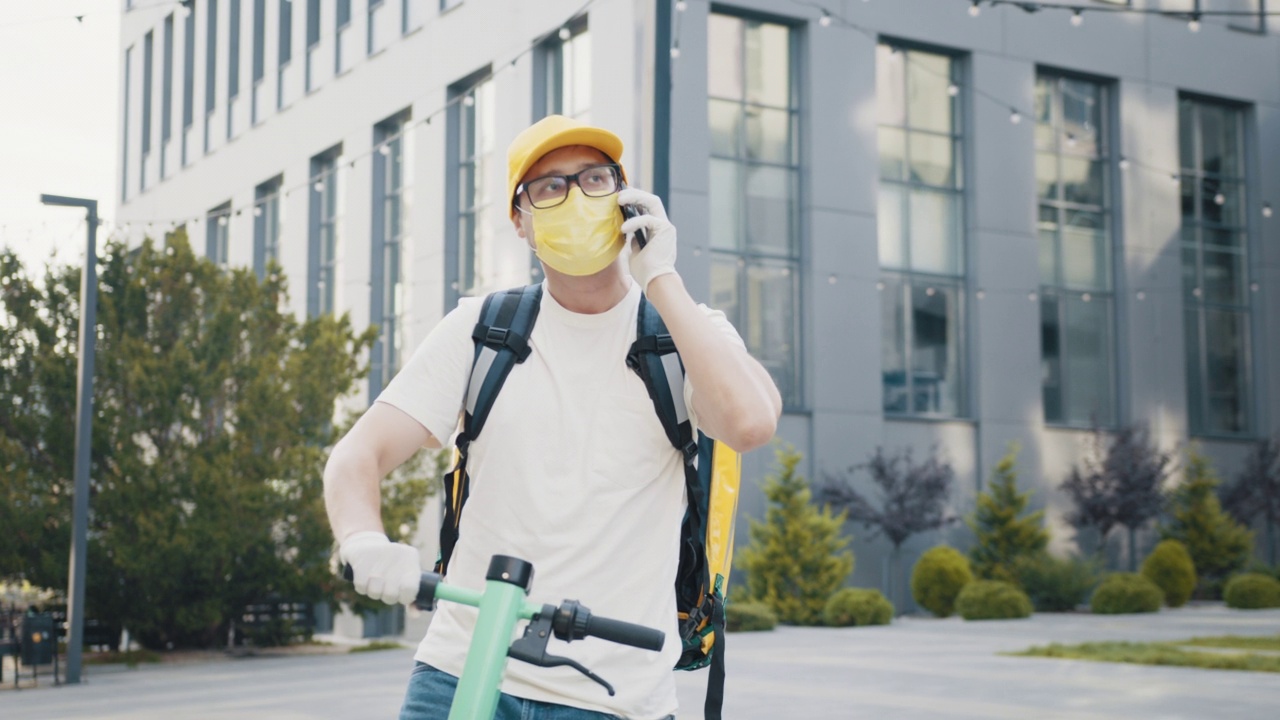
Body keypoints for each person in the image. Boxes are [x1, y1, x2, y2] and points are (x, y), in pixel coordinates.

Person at [324, 115, 781, 720]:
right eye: (549, 188)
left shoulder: (684, 335)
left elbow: (749, 425)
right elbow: (357, 456)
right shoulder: (482, 329)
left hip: (616, 695)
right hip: (462, 674)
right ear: (520, 220)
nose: (576, 198)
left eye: (595, 179)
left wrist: (661, 278)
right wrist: (363, 541)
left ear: (624, 196)